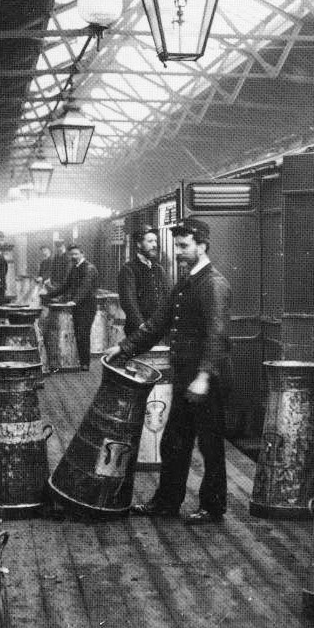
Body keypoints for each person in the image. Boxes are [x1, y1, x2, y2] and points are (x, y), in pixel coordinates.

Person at [108, 218, 232, 525]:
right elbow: (158, 323)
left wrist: (203, 377)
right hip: (186, 374)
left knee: (210, 443)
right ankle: (166, 502)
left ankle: (213, 507)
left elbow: (217, 335)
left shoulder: (213, 283)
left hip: (207, 376)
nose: (177, 251)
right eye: (176, 245)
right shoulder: (188, 281)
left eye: (184, 245)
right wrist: (124, 348)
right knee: (174, 440)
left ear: (202, 246)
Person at [44, 243, 99, 370]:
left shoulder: (89, 268)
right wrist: (49, 295)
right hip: (78, 306)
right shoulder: (74, 268)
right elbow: (65, 286)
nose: (73, 256)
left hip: (87, 306)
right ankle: (81, 362)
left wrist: (74, 300)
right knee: (79, 333)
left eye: (76, 254)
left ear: (82, 254)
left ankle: (85, 363)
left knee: (83, 333)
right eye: (71, 254)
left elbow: (85, 287)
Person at [117, 227, 170, 336]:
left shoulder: (159, 269)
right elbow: (128, 301)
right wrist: (141, 325)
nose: (154, 245)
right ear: (139, 244)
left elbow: (168, 297)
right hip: (138, 331)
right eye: (150, 241)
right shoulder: (129, 269)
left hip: (160, 329)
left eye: (155, 241)